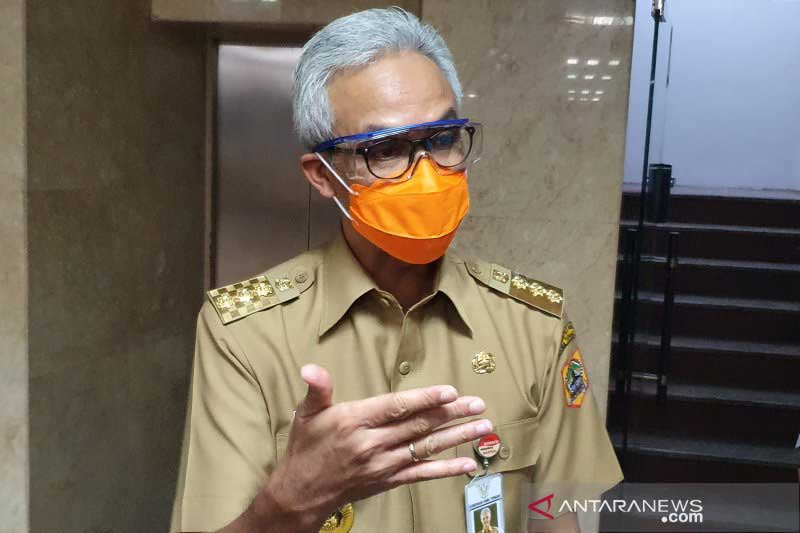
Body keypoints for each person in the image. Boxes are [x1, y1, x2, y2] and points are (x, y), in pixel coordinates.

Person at [169, 7, 623, 533]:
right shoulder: (246, 334)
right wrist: (288, 506)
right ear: (322, 175)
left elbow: (558, 517)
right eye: (385, 150)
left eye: (443, 139)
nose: (426, 175)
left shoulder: (534, 326)